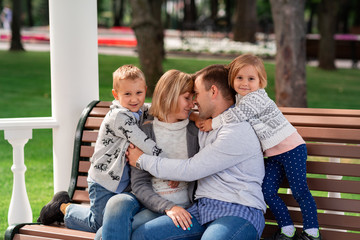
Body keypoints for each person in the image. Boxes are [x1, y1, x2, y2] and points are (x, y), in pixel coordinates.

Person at [127, 64, 266, 240]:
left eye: (197, 94)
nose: (194, 102)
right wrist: (192, 115)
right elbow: (167, 108)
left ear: (213, 91)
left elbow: (191, 169)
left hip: (238, 211)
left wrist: (141, 160)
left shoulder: (235, 131)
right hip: (202, 210)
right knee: (143, 236)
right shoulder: (207, 124)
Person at [201, 54, 321, 240]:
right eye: (239, 78)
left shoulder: (256, 98)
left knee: (299, 190)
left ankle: (312, 232)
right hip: (273, 155)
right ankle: (287, 230)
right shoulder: (240, 98)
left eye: (251, 79)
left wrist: (211, 124)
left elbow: (236, 116)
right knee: (267, 191)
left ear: (260, 81)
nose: (245, 83)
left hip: (292, 150)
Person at [38, 64, 164, 233]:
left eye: (139, 93)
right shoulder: (119, 117)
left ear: (145, 90)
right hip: (103, 182)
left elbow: (155, 109)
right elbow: (145, 143)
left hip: (122, 185)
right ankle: (62, 208)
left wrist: (190, 115)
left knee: (116, 221)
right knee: (99, 224)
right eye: (127, 94)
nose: (134, 99)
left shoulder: (138, 110)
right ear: (115, 94)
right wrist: (168, 162)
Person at [95, 69, 199, 240]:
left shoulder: (196, 132)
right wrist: (166, 205)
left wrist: (197, 117)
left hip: (184, 207)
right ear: (168, 96)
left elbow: (201, 170)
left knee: (105, 235)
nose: (192, 104)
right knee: (102, 231)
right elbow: (140, 183)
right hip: (152, 205)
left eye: (193, 99)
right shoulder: (144, 132)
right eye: (187, 98)